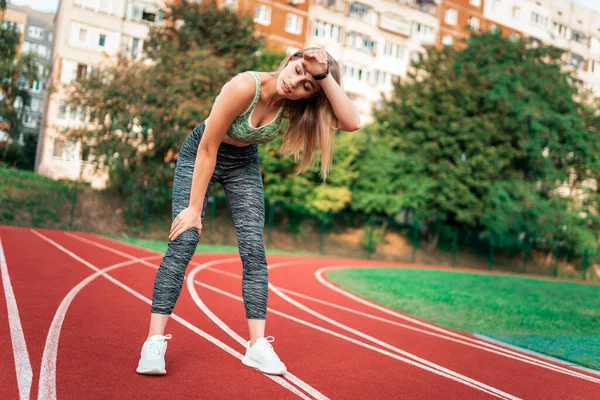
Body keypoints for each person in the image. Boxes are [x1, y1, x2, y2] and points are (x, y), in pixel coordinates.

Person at [136, 47, 360, 376]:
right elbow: (208, 147)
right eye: (298, 71)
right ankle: (154, 342)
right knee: (184, 239)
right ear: (290, 59)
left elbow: (352, 122)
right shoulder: (245, 86)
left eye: (306, 87)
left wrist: (323, 76)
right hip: (200, 154)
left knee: (254, 250)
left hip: (243, 164)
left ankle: (257, 346)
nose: (294, 84)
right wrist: (195, 210)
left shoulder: (291, 104)